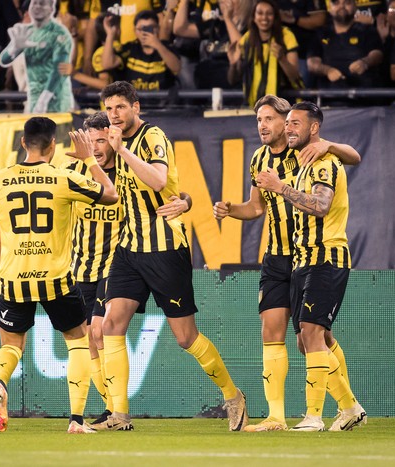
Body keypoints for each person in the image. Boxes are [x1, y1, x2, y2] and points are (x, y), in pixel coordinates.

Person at [99, 80, 248, 432]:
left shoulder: (152, 137)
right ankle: (118, 415)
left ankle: (233, 396)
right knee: (110, 324)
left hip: (165, 249)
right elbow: (170, 187)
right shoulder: (112, 140)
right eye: (109, 109)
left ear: (136, 107)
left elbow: (157, 179)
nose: (114, 115)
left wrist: (122, 151)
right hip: (129, 248)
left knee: (185, 337)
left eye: (120, 107)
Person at [213, 94, 361, 432]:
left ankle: (344, 406)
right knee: (274, 331)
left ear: (287, 122)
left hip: (310, 255)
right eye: (258, 120)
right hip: (277, 256)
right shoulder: (259, 158)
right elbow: (255, 208)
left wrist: (328, 145)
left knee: (312, 335)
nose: (263, 126)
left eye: (270, 119)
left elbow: (353, 157)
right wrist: (231, 210)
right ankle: (276, 417)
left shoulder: (310, 152)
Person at [0, 117, 118, 434]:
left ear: (23, 143)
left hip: (14, 279)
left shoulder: (0, 179)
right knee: (78, 342)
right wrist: (89, 160)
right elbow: (111, 194)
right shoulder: (63, 178)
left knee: (12, 345)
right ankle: (76, 420)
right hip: (56, 277)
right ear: (53, 146)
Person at [65, 111, 192, 429]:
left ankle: (115, 412)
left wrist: (185, 201)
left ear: (111, 138)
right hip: (81, 267)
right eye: (90, 141)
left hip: (115, 264)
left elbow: (168, 190)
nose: (95, 147)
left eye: (100, 140)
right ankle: (112, 408)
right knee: (91, 341)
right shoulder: (75, 173)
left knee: (100, 330)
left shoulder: (125, 172)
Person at [255, 101, 366, 432]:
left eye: (295, 123)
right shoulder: (303, 163)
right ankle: (350, 407)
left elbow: (319, 206)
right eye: (286, 123)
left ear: (314, 128)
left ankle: (313, 416)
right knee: (306, 340)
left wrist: (280, 187)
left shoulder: (323, 162)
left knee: (313, 334)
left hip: (326, 257)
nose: (288, 128)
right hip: (303, 260)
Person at [0, 0, 75, 113]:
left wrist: (43, 100)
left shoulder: (59, 33)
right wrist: (15, 47)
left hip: (57, 101)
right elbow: (3, 60)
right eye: (35, 3)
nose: (37, 6)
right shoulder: (26, 32)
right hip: (33, 99)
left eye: (42, 4)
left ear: (51, 9)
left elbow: (58, 70)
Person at [228, 0, 303, 109]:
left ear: (275, 17)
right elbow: (232, 80)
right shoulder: (246, 39)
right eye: (260, 13)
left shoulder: (286, 36)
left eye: (269, 13)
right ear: (253, 17)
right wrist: (233, 64)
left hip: (285, 105)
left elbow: (294, 76)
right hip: (254, 107)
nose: (264, 18)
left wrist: (282, 59)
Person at [307, 0, 383, 92]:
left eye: (347, 3)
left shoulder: (368, 31)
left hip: (364, 94)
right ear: (330, 8)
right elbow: (312, 63)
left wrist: (365, 62)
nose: (342, 6)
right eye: (336, 3)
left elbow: (377, 54)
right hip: (329, 95)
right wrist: (327, 70)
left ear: (355, 7)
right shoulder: (320, 33)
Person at [102, 10, 181, 91]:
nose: (144, 33)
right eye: (141, 29)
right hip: (136, 101)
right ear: (135, 31)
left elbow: (177, 68)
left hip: (161, 102)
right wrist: (110, 35)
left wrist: (158, 45)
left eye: (149, 28)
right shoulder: (130, 48)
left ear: (158, 29)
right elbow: (107, 64)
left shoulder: (166, 47)